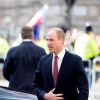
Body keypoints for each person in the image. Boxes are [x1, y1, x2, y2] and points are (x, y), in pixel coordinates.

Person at [33, 27, 89, 100]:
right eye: (47, 40)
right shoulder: (43, 60)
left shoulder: (75, 60)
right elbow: (36, 85)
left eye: (51, 40)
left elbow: (83, 89)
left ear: (61, 40)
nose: (48, 43)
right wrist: (44, 95)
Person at [3, 26, 46, 94]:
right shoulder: (41, 51)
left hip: (15, 89)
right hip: (35, 89)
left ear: (21, 35)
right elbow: (44, 71)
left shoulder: (12, 51)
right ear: (32, 35)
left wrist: (14, 79)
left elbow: (5, 71)